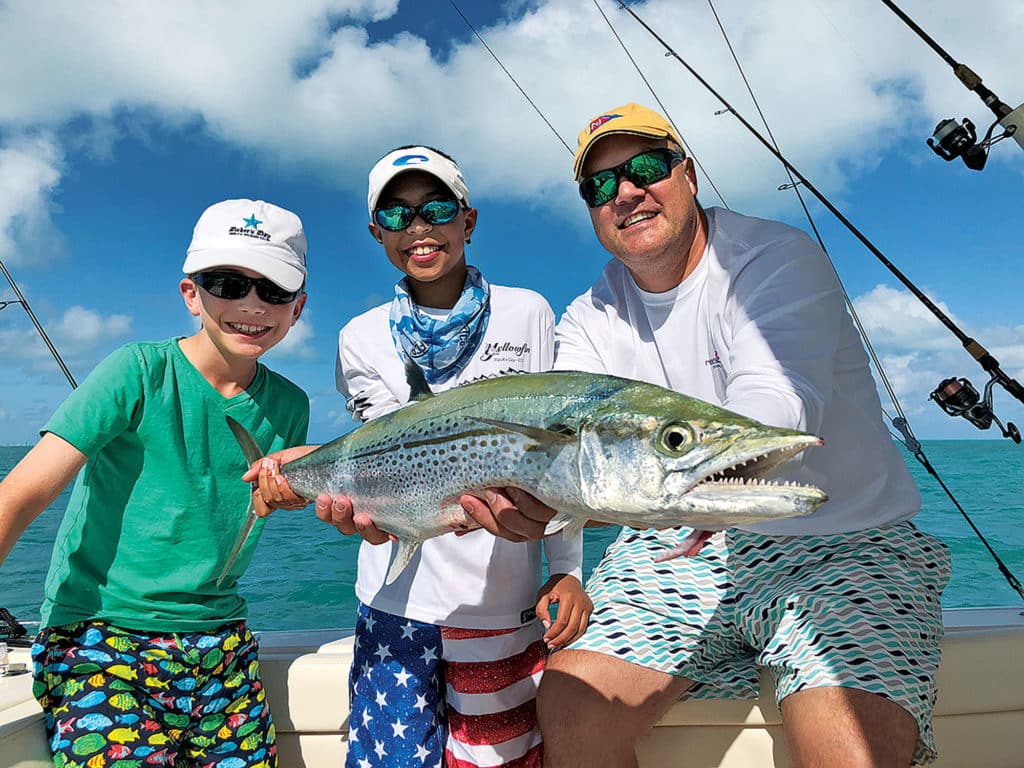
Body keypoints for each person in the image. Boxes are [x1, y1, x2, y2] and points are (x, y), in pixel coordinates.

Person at [459, 103, 952, 768]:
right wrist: (538, 515)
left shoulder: (775, 258)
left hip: (846, 541)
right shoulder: (588, 318)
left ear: (687, 174)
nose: (626, 191)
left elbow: (779, 400)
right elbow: (560, 459)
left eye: (644, 168)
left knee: (851, 753)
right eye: (600, 186)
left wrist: (655, 466)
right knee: (572, 710)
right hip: (680, 549)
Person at [252, 145, 592, 768]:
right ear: (377, 231)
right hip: (394, 604)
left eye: (436, 208)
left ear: (468, 219)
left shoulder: (529, 313)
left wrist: (566, 568)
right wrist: (316, 486)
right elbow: (380, 461)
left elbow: (561, 458)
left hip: (502, 606)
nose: (419, 228)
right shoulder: (360, 336)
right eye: (398, 215)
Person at [0, 199, 310, 768]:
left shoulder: (291, 406)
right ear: (191, 293)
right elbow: (21, 494)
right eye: (227, 282)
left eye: (273, 291)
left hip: (221, 643)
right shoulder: (135, 370)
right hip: (97, 637)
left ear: (297, 307)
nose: (251, 305)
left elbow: (269, 497)